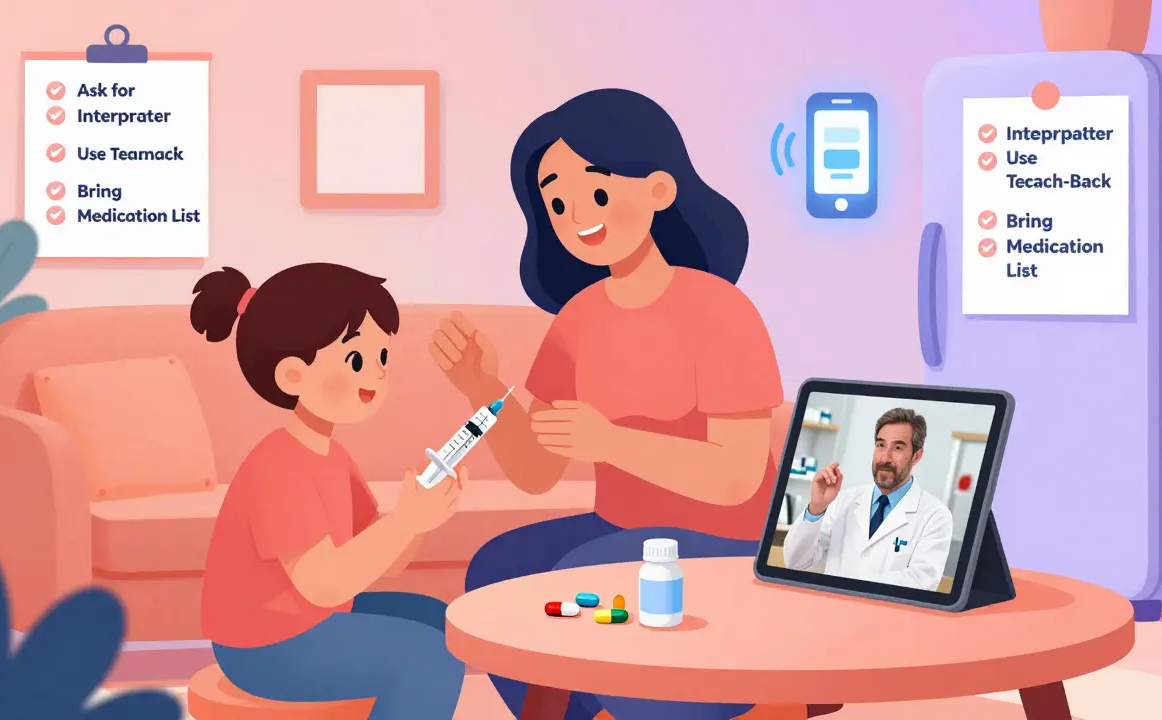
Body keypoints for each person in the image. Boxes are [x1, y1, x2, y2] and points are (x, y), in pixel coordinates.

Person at [429, 89, 783, 720]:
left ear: (659, 190)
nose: (576, 218)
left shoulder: (719, 310)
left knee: (583, 573)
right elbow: (537, 471)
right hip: (620, 531)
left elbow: (735, 478)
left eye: (595, 192)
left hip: (726, 542)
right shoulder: (578, 319)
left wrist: (611, 441)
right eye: (556, 204)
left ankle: (710, 700)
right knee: (497, 571)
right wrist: (482, 385)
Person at [194, 264, 467, 720]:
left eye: (382, 358)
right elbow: (323, 585)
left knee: (440, 623)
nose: (376, 374)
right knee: (425, 654)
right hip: (264, 645)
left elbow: (386, 562)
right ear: (292, 376)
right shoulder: (277, 465)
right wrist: (405, 522)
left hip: (311, 620)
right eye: (357, 360)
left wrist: (420, 515)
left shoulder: (333, 455)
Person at [782, 408, 953, 591]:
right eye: (880, 445)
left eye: (898, 448)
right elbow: (796, 562)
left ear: (916, 456)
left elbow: (920, 583)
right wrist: (816, 508)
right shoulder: (842, 501)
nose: (885, 458)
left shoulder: (935, 516)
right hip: (833, 607)